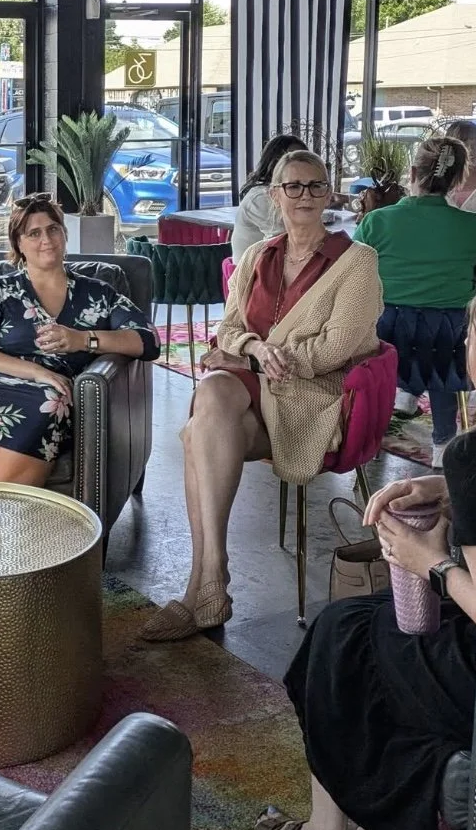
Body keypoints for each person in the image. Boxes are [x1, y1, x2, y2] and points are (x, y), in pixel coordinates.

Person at [254, 277, 476, 830]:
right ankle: (407, 825)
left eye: (473, 334)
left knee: (340, 639)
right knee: (366, 630)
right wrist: (451, 497)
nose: (464, 344)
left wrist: (430, 561)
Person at [142, 150, 382, 642]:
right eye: (292, 186)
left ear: (329, 193)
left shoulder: (357, 262)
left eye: (315, 186)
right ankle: (211, 575)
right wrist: (251, 347)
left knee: (198, 432)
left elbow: (337, 347)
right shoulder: (256, 256)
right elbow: (228, 328)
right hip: (251, 387)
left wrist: (253, 359)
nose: (304, 196)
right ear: (274, 195)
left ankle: (204, 583)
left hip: (310, 394)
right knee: (212, 394)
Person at [0, 194, 159, 484]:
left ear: (64, 234)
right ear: (19, 243)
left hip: (47, 398)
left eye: (53, 229)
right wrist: (37, 372)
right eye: (34, 233)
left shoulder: (98, 294)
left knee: (49, 401)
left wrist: (83, 339)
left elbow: (148, 340)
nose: (47, 238)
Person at [353, 135, 476, 466]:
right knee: (445, 340)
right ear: (456, 181)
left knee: (412, 337)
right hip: (449, 341)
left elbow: (352, 273)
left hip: (388, 335)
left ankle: (396, 400)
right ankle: (443, 444)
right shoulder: (471, 225)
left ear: (411, 173)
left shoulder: (376, 221)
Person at [231, 135, 310, 259]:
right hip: (252, 273)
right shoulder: (260, 197)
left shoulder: (290, 190)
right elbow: (290, 240)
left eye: (304, 159)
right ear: (274, 162)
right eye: (291, 160)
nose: (299, 166)